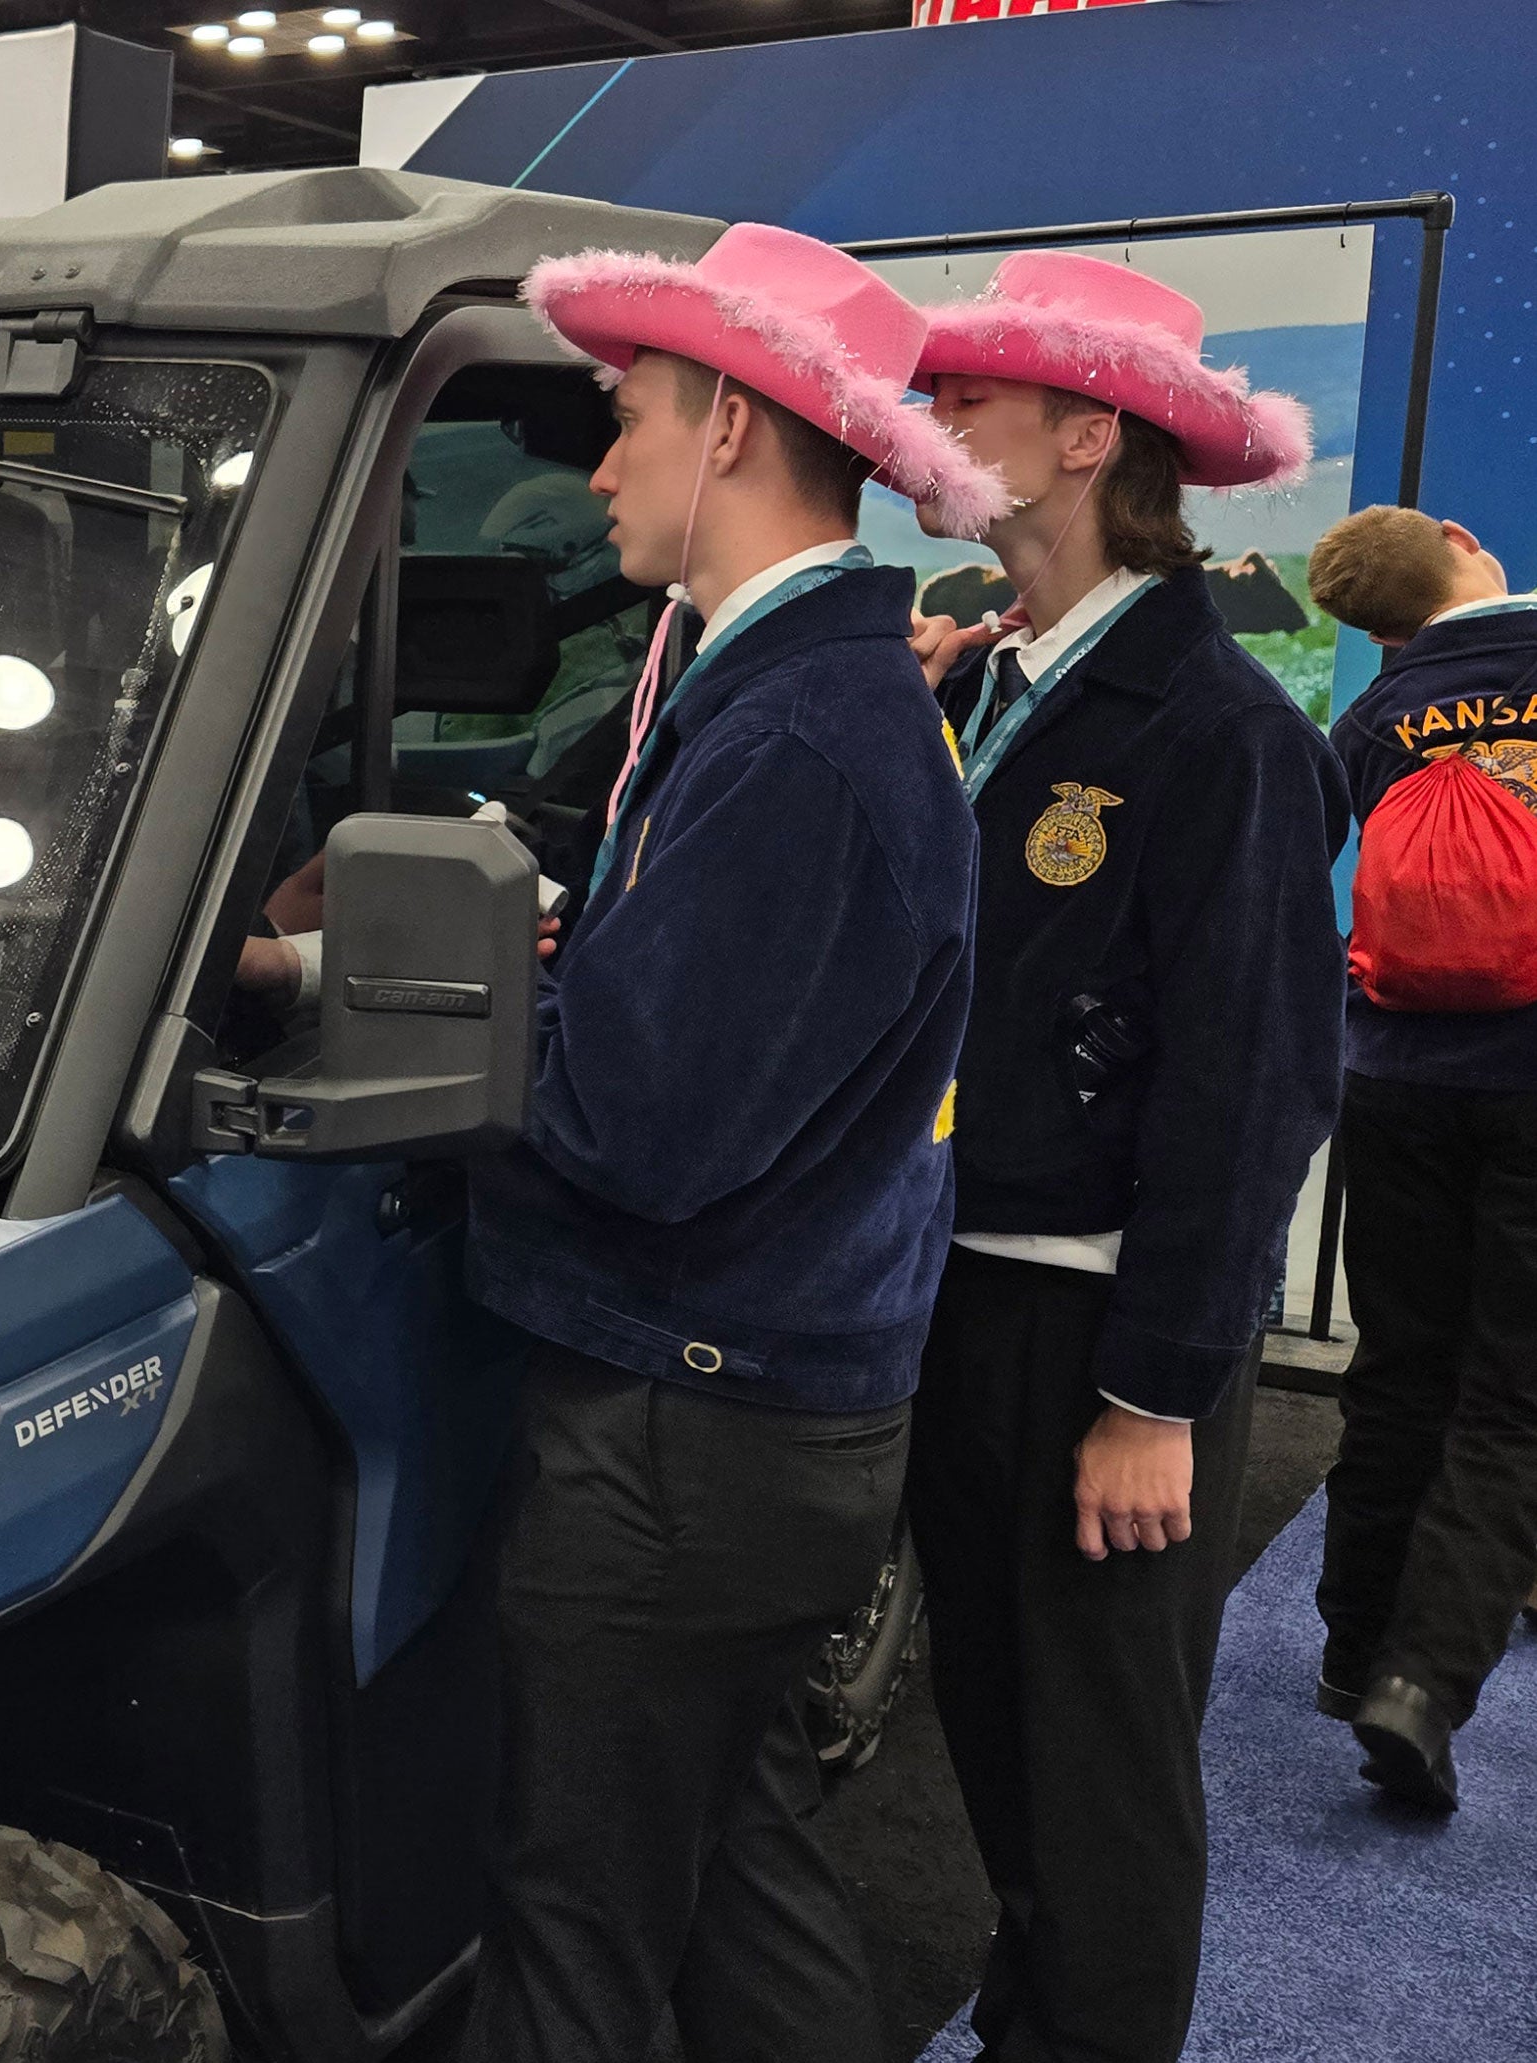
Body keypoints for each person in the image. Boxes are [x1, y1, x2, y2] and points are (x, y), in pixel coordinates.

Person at [458, 224, 1004, 2062]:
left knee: (579, 1915)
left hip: (686, 1425)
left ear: (735, 429)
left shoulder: (801, 733)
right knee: (736, 1867)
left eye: (629, 419)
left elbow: (637, 1129)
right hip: (770, 1412)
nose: (600, 465)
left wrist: (478, 1026)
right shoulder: (803, 695)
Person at [904, 251, 1347, 2062]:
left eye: (967, 406)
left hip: (1093, 1338)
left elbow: (1255, 1086)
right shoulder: (1003, 679)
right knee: (1005, 1739)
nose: (929, 434)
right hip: (959, 1287)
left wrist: (1160, 1390)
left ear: (1088, 435)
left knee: (1099, 1779)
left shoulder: (1223, 729)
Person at [1303, 502, 1537, 1808]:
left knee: (1396, 1367)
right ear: (1464, 539)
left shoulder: (1382, 711)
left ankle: (1349, 1647)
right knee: (1512, 1399)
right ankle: (1422, 1685)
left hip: (1393, 1075)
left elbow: (1298, 865)